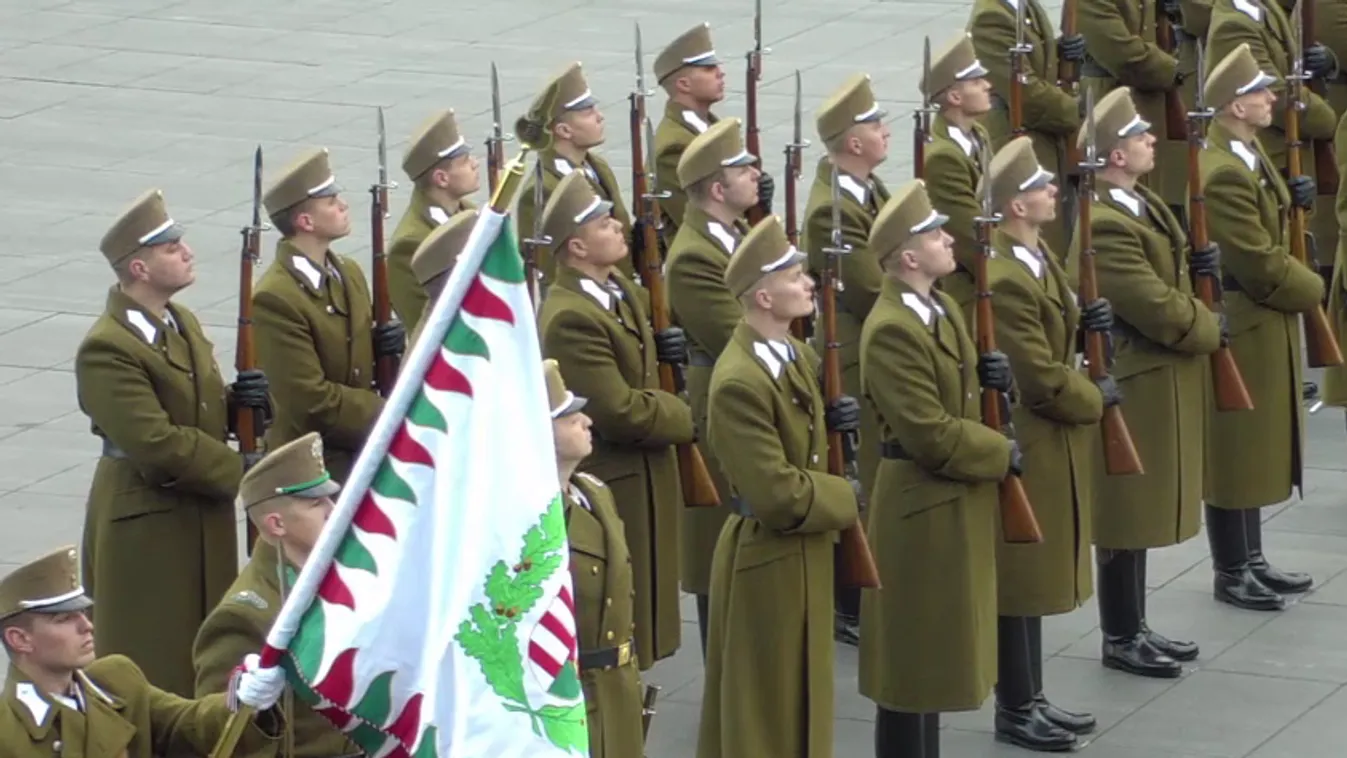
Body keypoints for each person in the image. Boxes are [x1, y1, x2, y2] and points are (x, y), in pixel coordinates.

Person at [75, 188, 269, 696]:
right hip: (147, 523)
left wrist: (239, 406)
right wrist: (242, 469)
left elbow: (193, 407)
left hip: (195, 510)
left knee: (204, 651)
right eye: (170, 248)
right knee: (153, 658)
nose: (187, 252)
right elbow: (153, 440)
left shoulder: (178, 322)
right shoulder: (107, 347)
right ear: (138, 268)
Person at [858, 179, 1013, 758]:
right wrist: (999, 452)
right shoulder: (893, 326)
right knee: (910, 659)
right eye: (935, 233)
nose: (949, 240)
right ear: (907, 255)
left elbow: (958, 402)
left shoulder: (939, 307)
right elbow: (928, 431)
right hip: (919, 504)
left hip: (950, 496)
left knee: (934, 654)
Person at [696, 215, 860, 758]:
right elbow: (775, 492)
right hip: (767, 554)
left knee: (804, 695)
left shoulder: (795, 356)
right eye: (794, 277)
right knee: (764, 709)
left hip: (801, 550)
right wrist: (847, 496)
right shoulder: (740, 380)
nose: (808, 283)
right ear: (763, 296)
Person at [1076, 85, 1224, 675]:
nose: (1149, 141)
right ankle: (1120, 635)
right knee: (1124, 511)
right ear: (1114, 154)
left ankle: (1135, 625)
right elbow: (1153, 304)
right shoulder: (1108, 224)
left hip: (1156, 375)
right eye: (1138, 137)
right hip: (1135, 379)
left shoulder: (1138, 205)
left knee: (1136, 512)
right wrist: (1207, 325)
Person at [536, 171, 695, 670]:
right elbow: (619, 410)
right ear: (576, 246)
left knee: (646, 624)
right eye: (604, 224)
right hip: (619, 479)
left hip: (647, 477)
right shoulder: (569, 316)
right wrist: (683, 412)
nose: (618, 226)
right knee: (622, 634)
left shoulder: (618, 288)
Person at [982, 137, 1107, 750]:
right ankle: (1015, 706)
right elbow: (1037, 376)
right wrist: (1095, 400)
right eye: (1040, 188)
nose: (1053, 191)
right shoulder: (1007, 275)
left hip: (1052, 438)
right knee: (1021, 575)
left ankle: (1030, 695)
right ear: (1013, 205)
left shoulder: (1035, 256)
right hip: (1034, 435)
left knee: (1032, 575)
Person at [1200, 42, 1323, 610]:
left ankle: (1251, 558)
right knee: (1236, 448)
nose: (1271, 98)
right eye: (1258, 92)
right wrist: (1312, 290)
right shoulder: (1222, 170)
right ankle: (1232, 569)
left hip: (1261, 316)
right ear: (1233, 105)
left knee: (1253, 444)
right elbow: (1257, 259)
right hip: (1245, 317)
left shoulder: (1246, 154)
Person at [0, 545, 286, 757]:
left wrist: (240, 701)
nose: (87, 626)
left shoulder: (115, 681)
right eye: (64, 620)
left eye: (83, 613)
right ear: (20, 639)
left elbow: (186, 724)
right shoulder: (7, 729)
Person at [191, 432, 359, 757]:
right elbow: (224, 733)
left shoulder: (337, 578)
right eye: (315, 503)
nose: (333, 510)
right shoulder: (245, 616)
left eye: (330, 498)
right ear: (276, 524)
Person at [801, 71, 892, 645]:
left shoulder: (867, 190)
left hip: (871, 343)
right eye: (876, 125)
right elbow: (869, 287)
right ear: (852, 142)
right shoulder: (829, 211)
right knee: (856, 472)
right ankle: (847, 601)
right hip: (856, 351)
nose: (886, 132)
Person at [664, 117, 761, 654]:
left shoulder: (734, 235)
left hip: (745, 386)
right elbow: (734, 334)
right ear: (718, 189)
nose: (755, 174)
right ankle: (721, 655)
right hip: (720, 396)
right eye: (743, 169)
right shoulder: (694, 255)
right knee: (717, 531)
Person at [253, 147, 406, 484]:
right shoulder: (276, 296)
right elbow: (311, 400)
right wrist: (392, 414)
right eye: (330, 200)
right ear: (305, 221)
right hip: (312, 471)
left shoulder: (347, 272)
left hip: (360, 460)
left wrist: (385, 348)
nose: (343, 204)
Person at [544, 358, 644, 758]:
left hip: (617, 685)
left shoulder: (594, 491)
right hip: (577, 694)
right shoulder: (530, 519)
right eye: (569, 418)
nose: (586, 421)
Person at [967, 0, 1084, 256]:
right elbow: (1025, 93)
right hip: (1018, 133)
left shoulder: (1025, 6)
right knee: (1036, 233)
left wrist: (1061, 53)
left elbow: (1036, 62)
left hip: (1043, 135)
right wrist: (1080, 111)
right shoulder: (990, 19)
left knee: (1053, 229)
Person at [515, 62, 635, 288]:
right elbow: (552, 270)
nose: (600, 117)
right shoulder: (541, 191)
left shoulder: (597, 166)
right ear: (564, 130)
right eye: (588, 112)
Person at [1078, 0, 1191, 225]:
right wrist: (1176, 70)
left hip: (1156, 100)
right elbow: (1123, 54)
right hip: (1115, 102)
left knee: (1162, 197)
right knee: (1121, 195)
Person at [387, 108, 480, 335]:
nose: (475, 164)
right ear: (441, 178)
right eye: (465, 161)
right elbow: (424, 323)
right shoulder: (411, 243)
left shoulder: (469, 213)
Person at [921, 32, 994, 313]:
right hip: (971, 293)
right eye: (976, 82)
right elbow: (970, 234)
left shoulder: (978, 134)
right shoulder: (942, 157)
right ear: (954, 96)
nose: (987, 85)